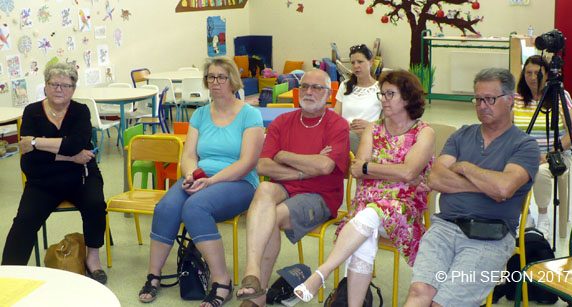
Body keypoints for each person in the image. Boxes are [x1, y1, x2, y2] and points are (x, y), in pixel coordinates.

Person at [293, 70, 435, 305]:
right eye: (382, 94)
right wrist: (393, 171)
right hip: (367, 205)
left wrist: (373, 168)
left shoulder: (424, 132)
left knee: (367, 216)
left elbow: (408, 172)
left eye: (391, 94)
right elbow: (357, 169)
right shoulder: (373, 128)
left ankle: (323, 272)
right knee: (365, 228)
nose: (384, 99)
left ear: (408, 98)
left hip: (403, 210)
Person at [404, 68, 540, 307]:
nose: (482, 105)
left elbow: (504, 187)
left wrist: (465, 167)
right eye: (478, 99)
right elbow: (435, 178)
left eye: (490, 99)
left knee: (442, 304)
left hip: (490, 236)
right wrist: (489, 185)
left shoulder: (525, 145)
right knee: (418, 293)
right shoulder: (461, 135)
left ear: (510, 100)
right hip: (444, 228)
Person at [137, 56, 264, 307]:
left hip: (238, 182)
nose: (215, 82)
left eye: (221, 77)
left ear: (233, 82)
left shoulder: (250, 115)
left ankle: (222, 281)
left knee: (195, 208)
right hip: (201, 179)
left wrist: (211, 180)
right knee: (166, 207)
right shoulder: (201, 114)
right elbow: (189, 155)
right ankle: (154, 275)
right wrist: (191, 175)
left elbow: (247, 163)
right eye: (211, 77)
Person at [235, 69, 350, 307]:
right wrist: (304, 168)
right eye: (305, 86)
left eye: (316, 88)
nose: (308, 91)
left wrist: (283, 154)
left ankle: (256, 297)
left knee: (270, 217)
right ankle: (253, 272)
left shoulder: (337, 125)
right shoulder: (282, 121)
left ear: (328, 94)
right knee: (264, 191)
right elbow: (264, 166)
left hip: (320, 196)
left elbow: (326, 166)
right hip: (284, 188)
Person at [2, 62, 108, 284]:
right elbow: (29, 161)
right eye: (54, 84)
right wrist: (71, 155)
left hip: (81, 176)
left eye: (65, 85)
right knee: (24, 220)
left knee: (96, 204)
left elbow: (77, 143)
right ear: (46, 86)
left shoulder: (80, 111)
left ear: (73, 89)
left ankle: (93, 260)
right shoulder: (32, 112)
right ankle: (8, 275)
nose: (59, 89)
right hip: (43, 180)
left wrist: (35, 142)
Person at [513, 55, 572, 239]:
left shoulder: (560, 95)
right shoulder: (516, 98)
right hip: (524, 156)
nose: (533, 78)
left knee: (540, 171)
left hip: (556, 156)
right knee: (510, 169)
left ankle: (543, 217)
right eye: (528, 73)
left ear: (547, 74)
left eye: (538, 73)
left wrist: (549, 154)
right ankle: (524, 216)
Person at [334, 44, 382, 154]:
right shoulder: (345, 86)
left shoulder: (381, 88)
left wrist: (369, 125)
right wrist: (345, 125)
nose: (356, 66)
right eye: (353, 63)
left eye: (360, 62)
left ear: (371, 62)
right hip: (345, 133)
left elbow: (389, 121)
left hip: (368, 136)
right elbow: (336, 116)